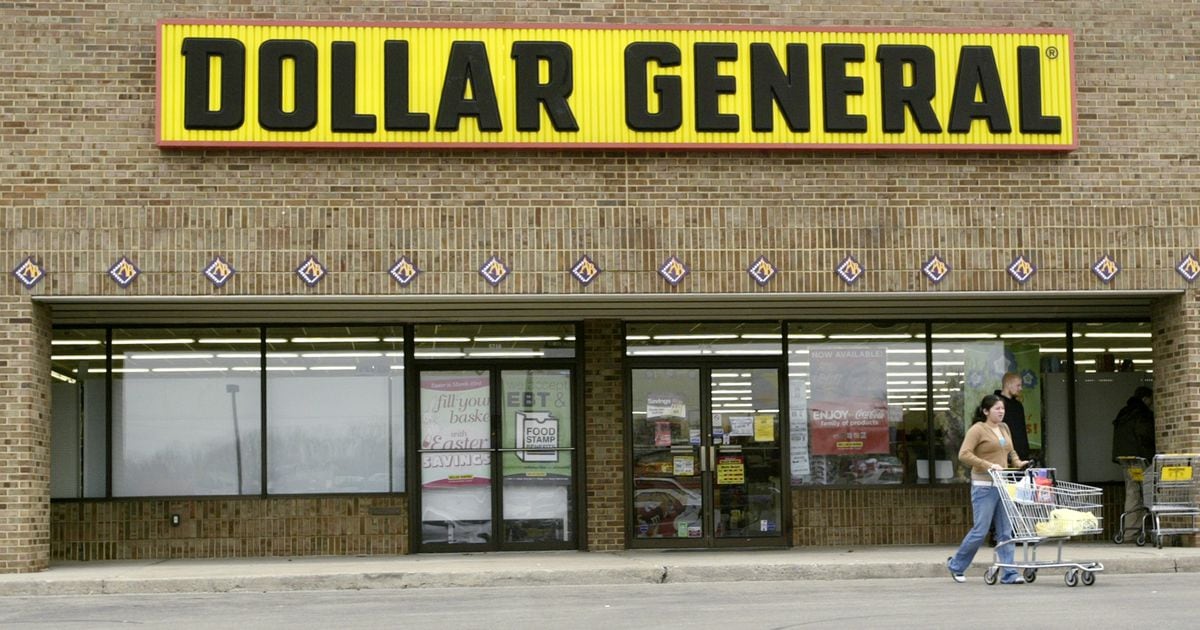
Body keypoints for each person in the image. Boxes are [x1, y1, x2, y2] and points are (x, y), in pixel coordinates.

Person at [946, 394, 1029, 584]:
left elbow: (1010, 451)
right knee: (980, 530)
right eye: (997, 409)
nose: (1001, 412)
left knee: (1006, 531)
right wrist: (988, 465)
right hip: (984, 486)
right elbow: (964, 454)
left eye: (1003, 409)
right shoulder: (978, 430)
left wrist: (1018, 462)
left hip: (1003, 484)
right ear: (985, 411)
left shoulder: (1004, 428)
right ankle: (956, 565)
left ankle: (1009, 573)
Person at [1111, 385, 1155, 531]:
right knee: (1146, 491)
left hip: (1124, 458)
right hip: (1139, 458)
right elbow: (1146, 436)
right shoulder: (1142, 413)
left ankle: (1130, 531)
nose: (1152, 404)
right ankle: (1146, 527)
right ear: (1145, 398)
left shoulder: (1124, 412)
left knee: (1132, 492)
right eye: (1151, 400)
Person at [995, 372, 1031, 461]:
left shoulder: (1018, 406)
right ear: (1008, 384)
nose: (1021, 388)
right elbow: (994, 429)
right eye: (1018, 385)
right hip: (1001, 455)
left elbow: (1022, 432)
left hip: (1020, 455)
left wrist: (1025, 453)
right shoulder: (995, 404)